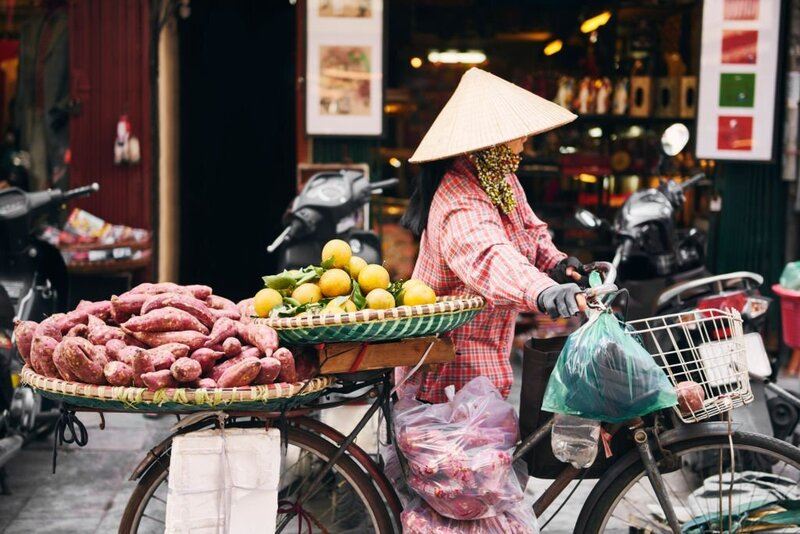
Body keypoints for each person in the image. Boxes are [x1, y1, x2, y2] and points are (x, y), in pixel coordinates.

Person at [400, 67, 586, 403]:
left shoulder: (500, 180)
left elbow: (530, 230)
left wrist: (558, 265)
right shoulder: (459, 200)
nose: (525, 139)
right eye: (517, 132)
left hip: (486, 355)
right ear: (492, 142)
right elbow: (489, 256)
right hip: (449, 367)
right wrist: (541, 290)